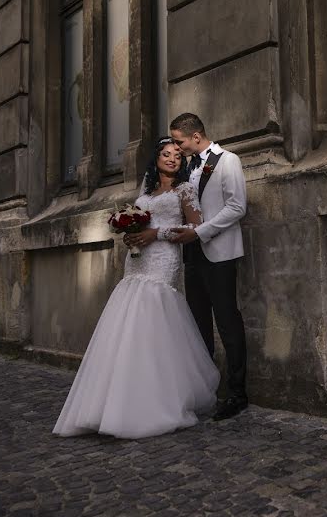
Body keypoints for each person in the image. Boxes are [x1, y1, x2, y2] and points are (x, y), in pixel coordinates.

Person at [53, 138, 220, 439]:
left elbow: (197, 227)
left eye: (178, 156)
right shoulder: (145, 192)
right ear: (155, 159)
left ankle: (155, 402)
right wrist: (130, 234)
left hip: (164, 260)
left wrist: (156, 233)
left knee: (155, 323)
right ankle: (113, 403)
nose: (172, 159)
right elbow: (137, 222)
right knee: (127, 326)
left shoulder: (184, 190)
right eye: (166, 155)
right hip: (137, 262)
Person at [167, 113, 249, 421]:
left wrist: (200, 232)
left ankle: (238, 393)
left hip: (219, 253)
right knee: (198, 326)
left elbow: (237, 206)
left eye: (179, 141)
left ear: (196, 137)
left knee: (227, 322)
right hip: (192, 256)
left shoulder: (228, 161)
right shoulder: (186, 167)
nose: (176, 147)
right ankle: (205, 391)